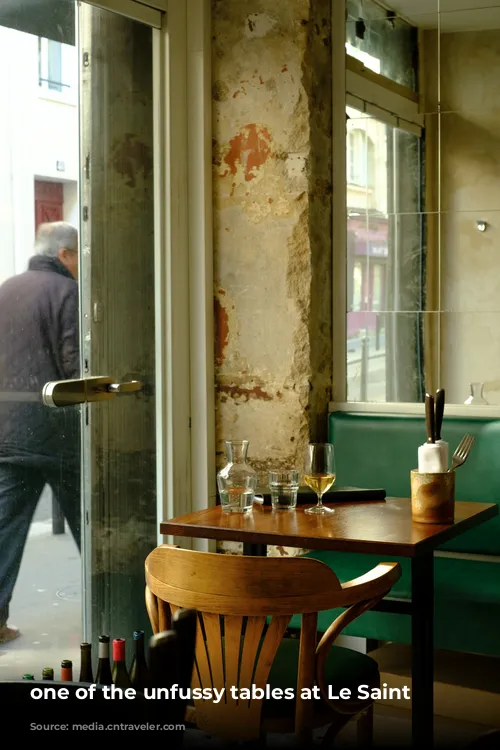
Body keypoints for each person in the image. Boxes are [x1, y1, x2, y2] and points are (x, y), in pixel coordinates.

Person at [0, 222, 81, 644]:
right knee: (93, 523)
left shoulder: (6, 288)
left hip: (7, 431)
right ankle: (118, 610)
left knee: (3, 529)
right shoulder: (66, 292)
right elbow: (72, 365)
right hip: (55, 433)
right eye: (79, 254)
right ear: (64, 254)